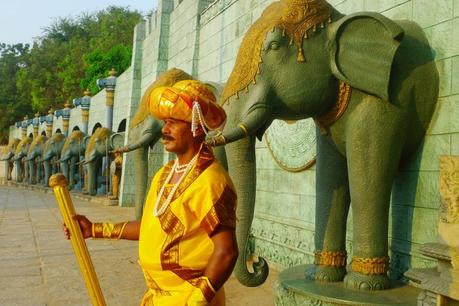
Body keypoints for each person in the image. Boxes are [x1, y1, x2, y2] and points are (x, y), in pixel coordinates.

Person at [64, 79, 238, 306]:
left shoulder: (211, 181)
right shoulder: (164, 174)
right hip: (157, 296)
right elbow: (149, 227)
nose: (165, 130)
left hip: (189, 299)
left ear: (197, 125)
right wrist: (94, 229)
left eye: (174, 122)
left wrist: (198, 299)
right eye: (165, 122)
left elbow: (226, 252)